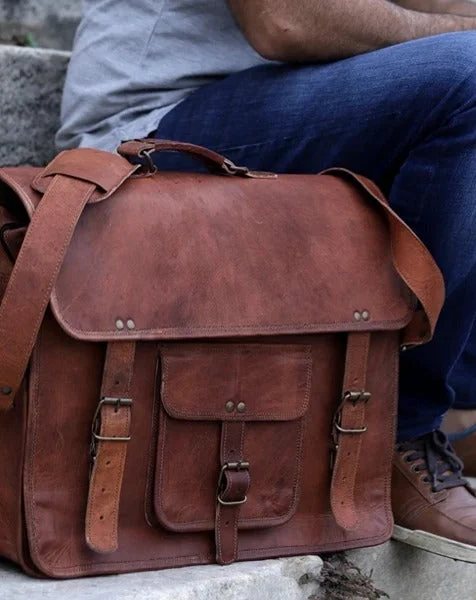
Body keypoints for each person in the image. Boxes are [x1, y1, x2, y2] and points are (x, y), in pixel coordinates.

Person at [56, 0, 476, 562]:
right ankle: (399, 431)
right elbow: (284, 20)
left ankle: (459, 408)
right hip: (152, 131)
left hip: (292, 95)